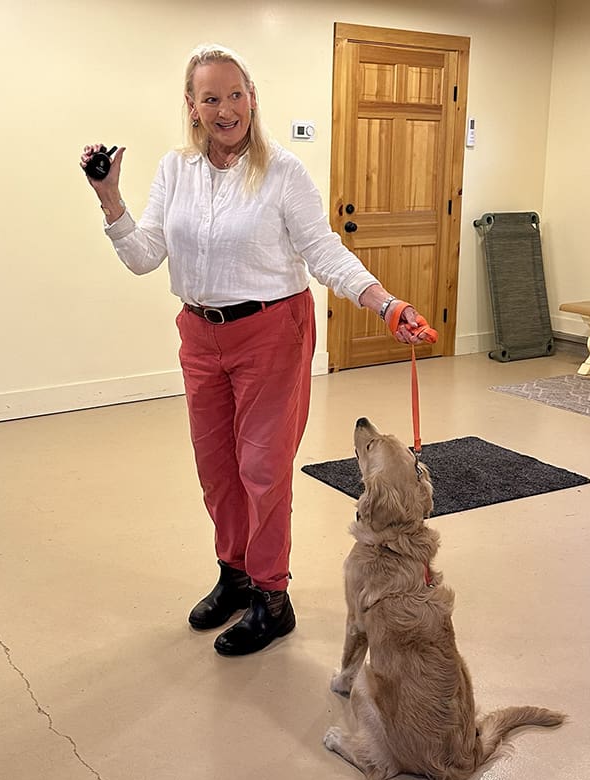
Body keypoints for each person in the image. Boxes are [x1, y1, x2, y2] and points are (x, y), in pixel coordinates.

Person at [80, 43, 434, 657]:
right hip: (200, 334)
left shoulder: (283, 173)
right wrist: (110, 198)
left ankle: (273, 597)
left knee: (263, 471)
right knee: (218, 472)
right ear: (191, 106)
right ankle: (235, 575)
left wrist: (385, 303)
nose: (226, 109)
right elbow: (143, 257)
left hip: (274, 333)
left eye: (235, 94)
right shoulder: (174, 170)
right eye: (211, 97)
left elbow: (322, 250)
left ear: (252, 99)